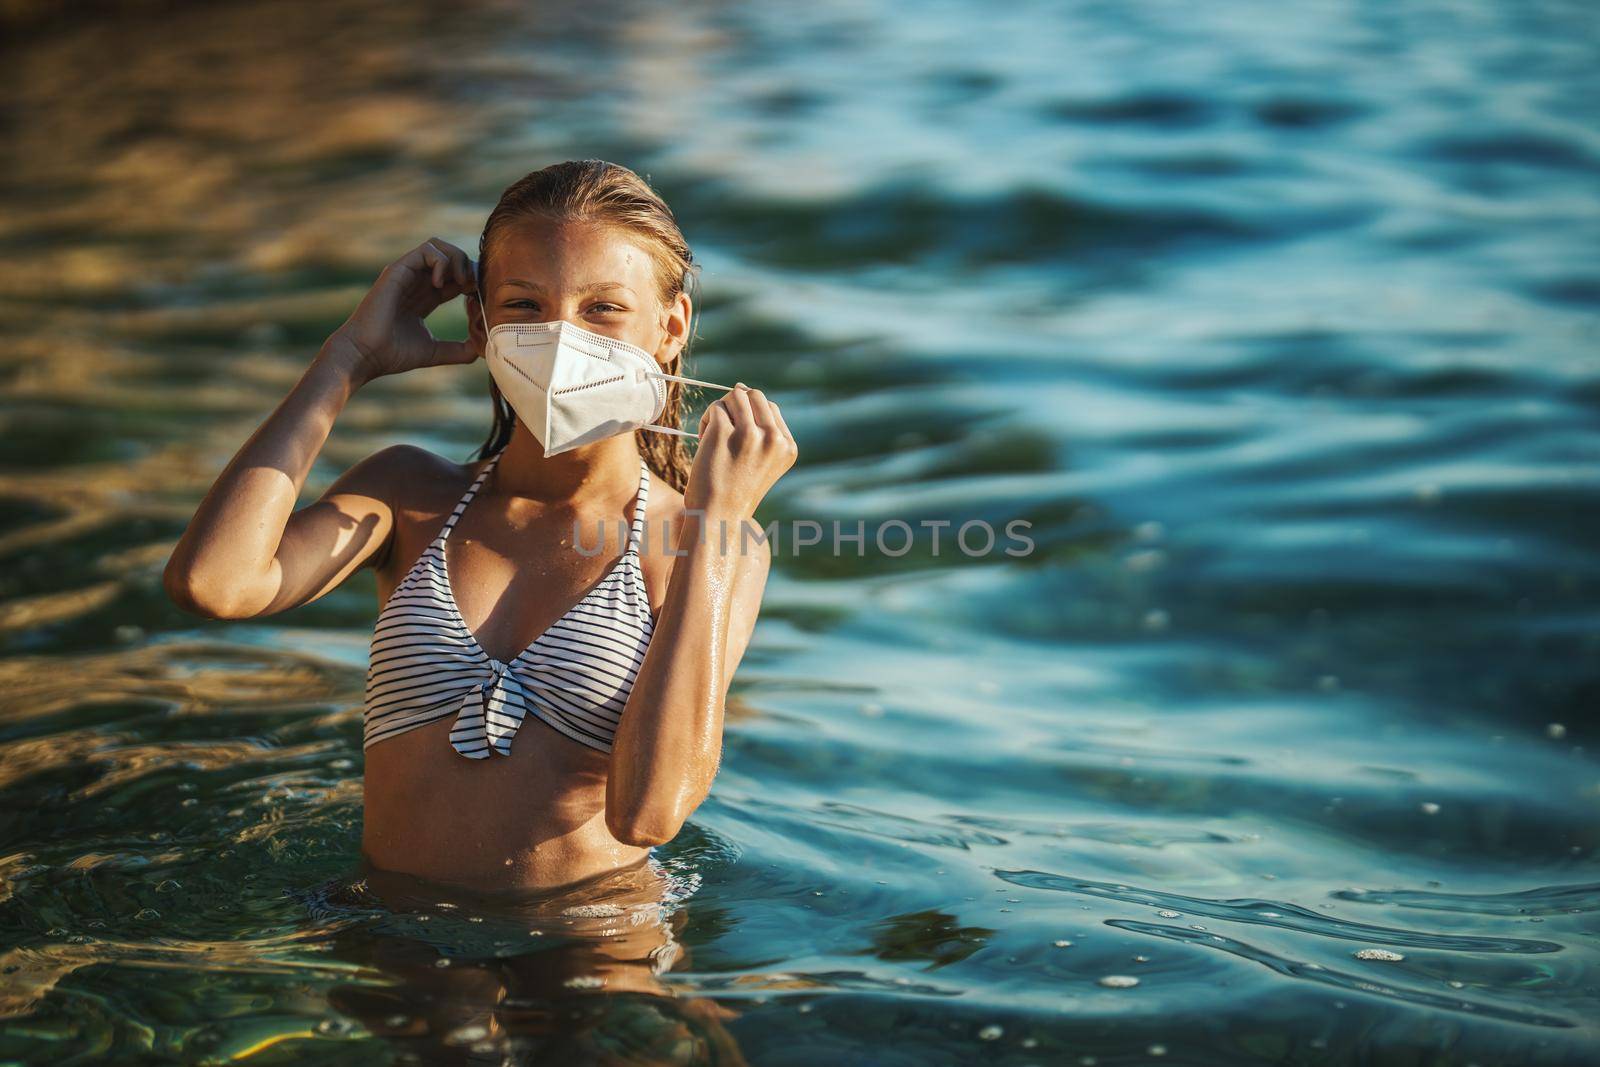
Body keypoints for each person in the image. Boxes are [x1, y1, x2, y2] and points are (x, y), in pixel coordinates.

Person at [164, 160, 796, 897]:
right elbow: (213, 583)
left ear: (670, 327)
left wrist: (716, 523)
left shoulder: (709, 539)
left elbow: (649, 814)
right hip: (395, 943)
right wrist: (348, 359)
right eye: (524, 304)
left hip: (591, 949)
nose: (560, 337)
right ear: (481, 323)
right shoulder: (407, 494)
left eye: (601, 309)